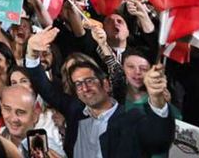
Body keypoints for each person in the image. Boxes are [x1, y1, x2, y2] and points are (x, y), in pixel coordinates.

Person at [25, 27, 175, 157]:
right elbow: (45, 88)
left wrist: (157, 100)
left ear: (106, 84)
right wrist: (32, 52)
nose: (84, 88)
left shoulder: (132, 118)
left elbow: (159, 141)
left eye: (89, 81)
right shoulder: (75, 109)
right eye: (78, 84)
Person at [0, 85, 65, 157]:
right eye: (7, 109)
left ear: (35, 115)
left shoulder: (49, 148)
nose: (13, 119)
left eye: (21, 112)